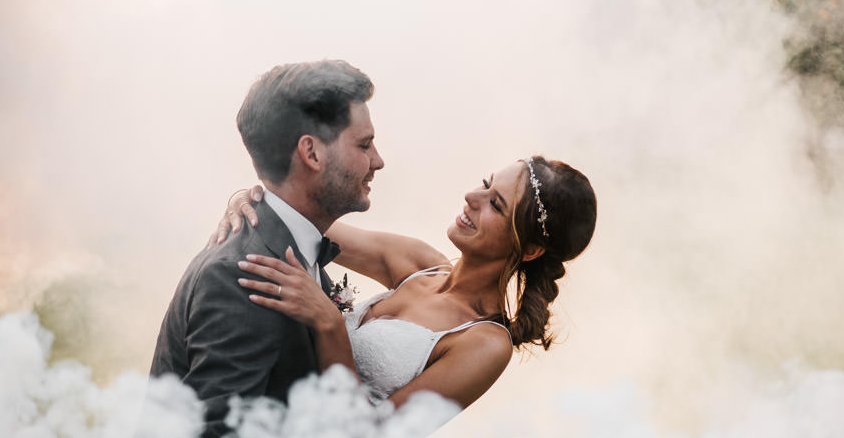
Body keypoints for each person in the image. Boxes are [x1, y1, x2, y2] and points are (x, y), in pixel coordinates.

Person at [135, 59, 384, 438]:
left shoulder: (287, 250)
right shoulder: (246, 272)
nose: (378, 159)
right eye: (364, 143)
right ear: (311, 152)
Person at [215, 154, 597, 411]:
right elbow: (298, 219)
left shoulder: (485, 342)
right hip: (258, 409)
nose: (471, 197)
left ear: (529, 250)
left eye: (496, 204)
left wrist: (329, 323)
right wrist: (248, 204)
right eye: (484, 184)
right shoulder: (419, 263)